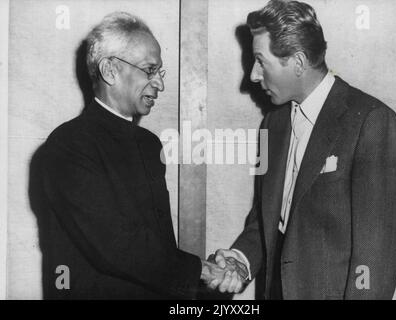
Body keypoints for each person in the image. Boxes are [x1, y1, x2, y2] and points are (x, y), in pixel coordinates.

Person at [37, 12, 244, 299]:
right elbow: (115, 246)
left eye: (160, 72)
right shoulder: (68, 145)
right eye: (150, 70)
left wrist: (205, 278)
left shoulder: (149, 144)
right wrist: (204, 271)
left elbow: (160, 251)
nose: (159, 84)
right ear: (109, 70)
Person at [211, 0, 396, 299]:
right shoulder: (273, 124)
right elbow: (267, 220)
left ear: (299, 62)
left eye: (261, 61)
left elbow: (375, 259)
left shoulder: (372, 122)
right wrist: (243, 258)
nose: (252, 75)